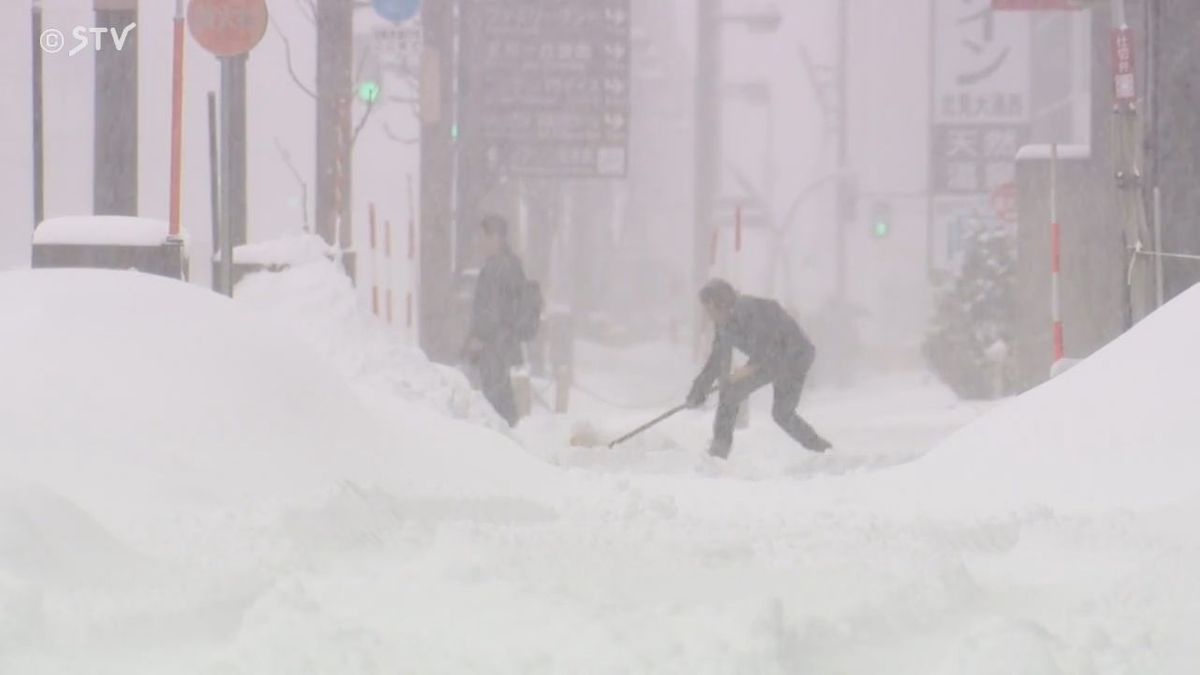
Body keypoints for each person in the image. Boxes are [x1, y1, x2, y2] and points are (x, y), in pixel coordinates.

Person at [686, 279, 832, 458]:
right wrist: (699, 390)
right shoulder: (724, 324)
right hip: (770, 361)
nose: (707, 315)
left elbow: (766, 340)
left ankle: (824, 451)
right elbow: (717, 361)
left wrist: (749, 367)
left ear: (718, 303)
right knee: (732, 394)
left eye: (708, 309)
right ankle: (719, 451)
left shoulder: (750, 308)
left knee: (781, 413)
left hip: (795, 356)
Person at [463, 214, 526, 426]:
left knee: (494, 400)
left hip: (494, 346)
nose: (480, 243)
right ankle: (511, 438)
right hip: (504, 343)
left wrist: (479, 338)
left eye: (484, 237)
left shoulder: (497, 268)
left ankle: (503, 444)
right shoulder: (510, 265)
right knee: (501, 398)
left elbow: (492, 308)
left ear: (497, 237)